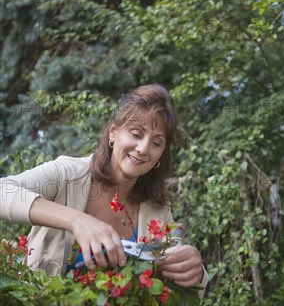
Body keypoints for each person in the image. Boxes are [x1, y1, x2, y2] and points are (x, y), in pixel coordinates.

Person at [0, 84, 207, 290]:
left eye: (156, 142)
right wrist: (76, 220)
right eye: (136, 133)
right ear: (113, 133)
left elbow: (187, 294)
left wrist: (196, 273)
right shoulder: (67, 174)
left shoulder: (158, 213)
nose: (143, 148)